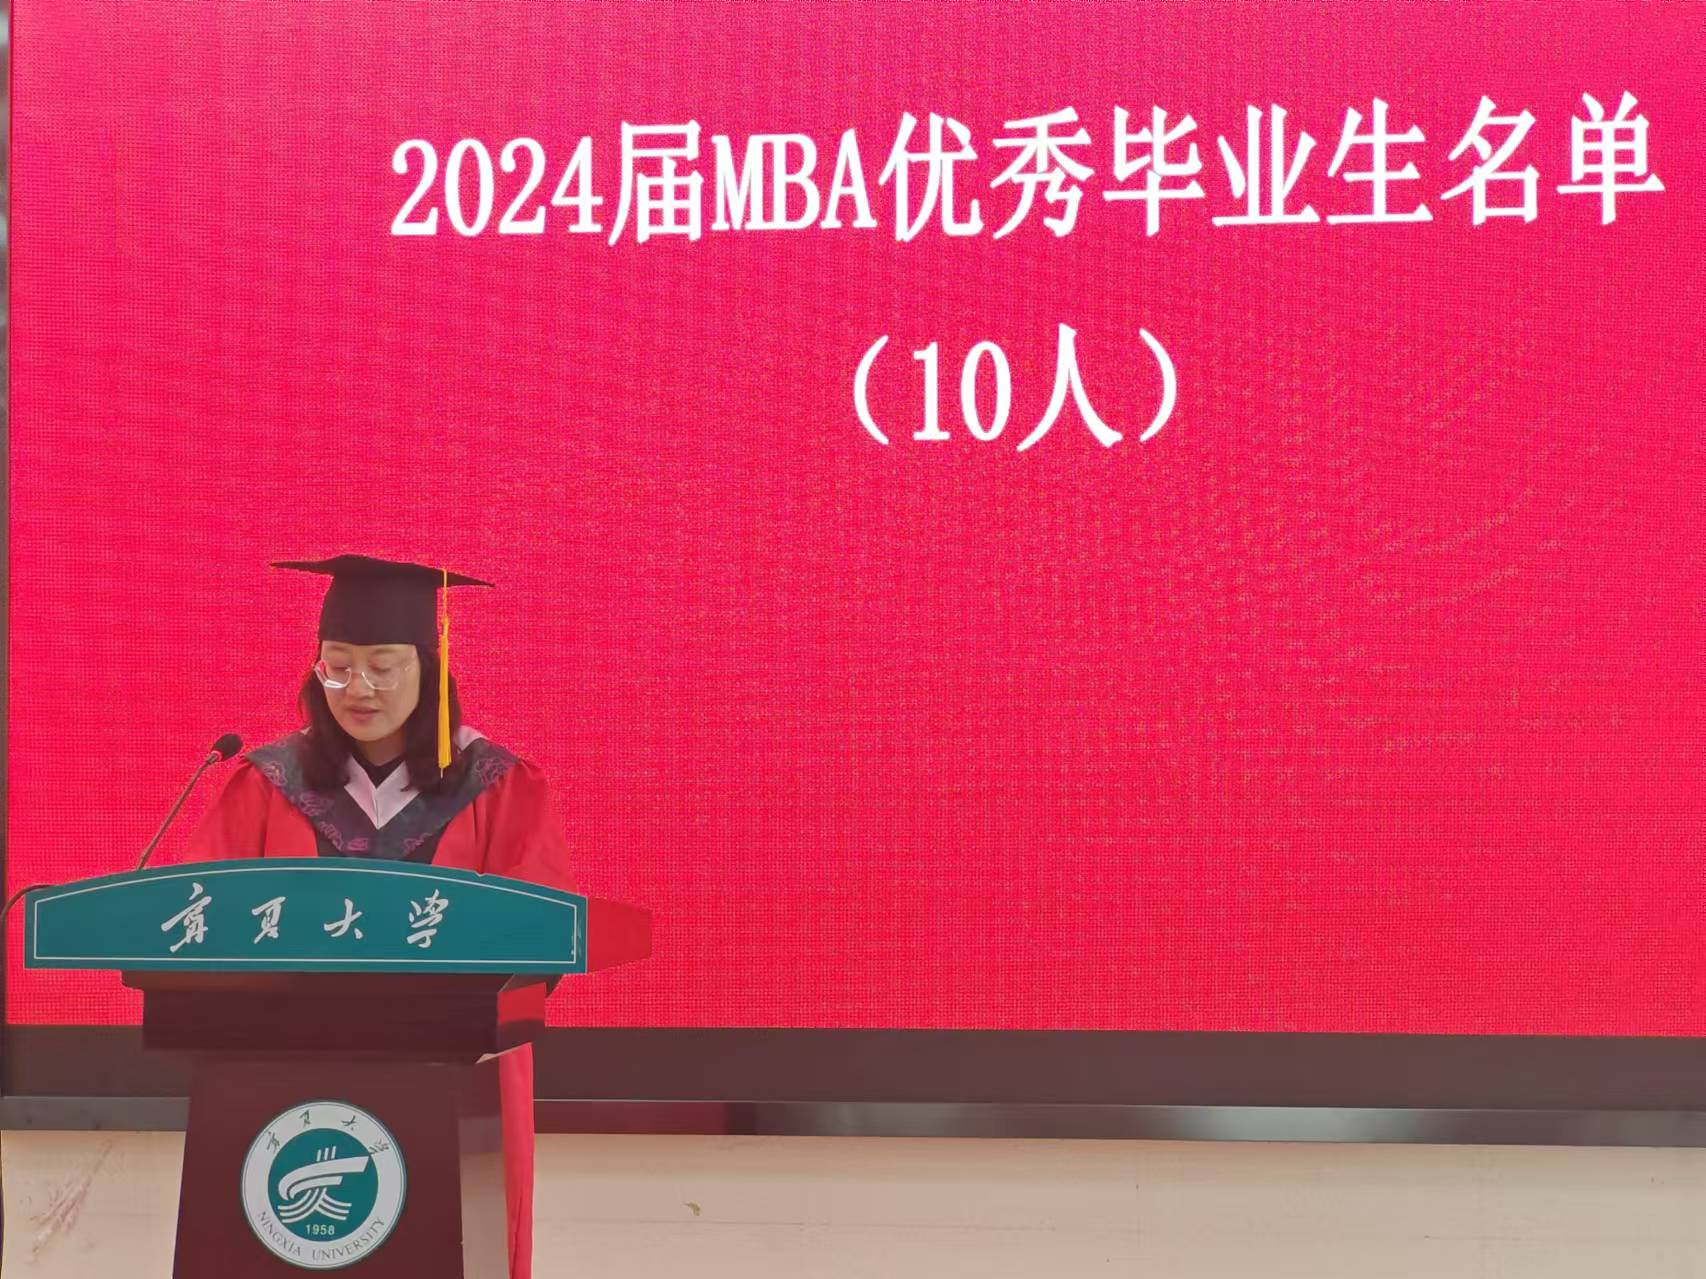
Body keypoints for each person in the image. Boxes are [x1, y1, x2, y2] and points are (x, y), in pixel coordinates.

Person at [183, 554, 572, 1279]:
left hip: (453, 1072)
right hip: (280, 1072)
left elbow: (540, 936)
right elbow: (200, 917)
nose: (358, 688)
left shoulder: (496, 784)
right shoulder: (269, 781)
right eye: (338, 668)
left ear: (428, 669)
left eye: (383, 667)